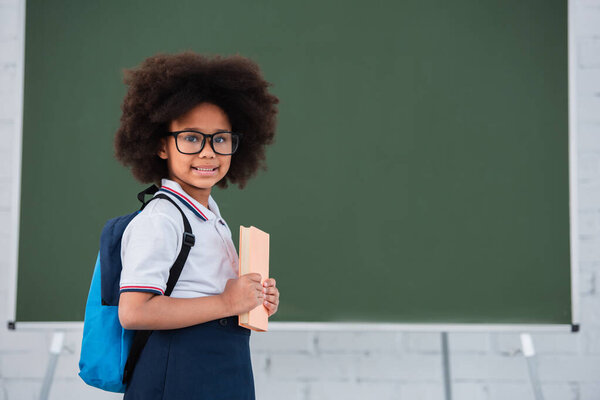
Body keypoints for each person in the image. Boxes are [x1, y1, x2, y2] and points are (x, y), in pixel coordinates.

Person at [113, 51, 280, 399]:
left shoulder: (208, 216)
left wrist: (252, 299)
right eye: (191, 138)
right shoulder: (162, 219)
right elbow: (133, 312)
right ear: (161, 145)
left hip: (222, 368)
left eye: (220, 139)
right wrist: (226, 303)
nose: (208, 152)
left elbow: (210, 292)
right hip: (180, 375)